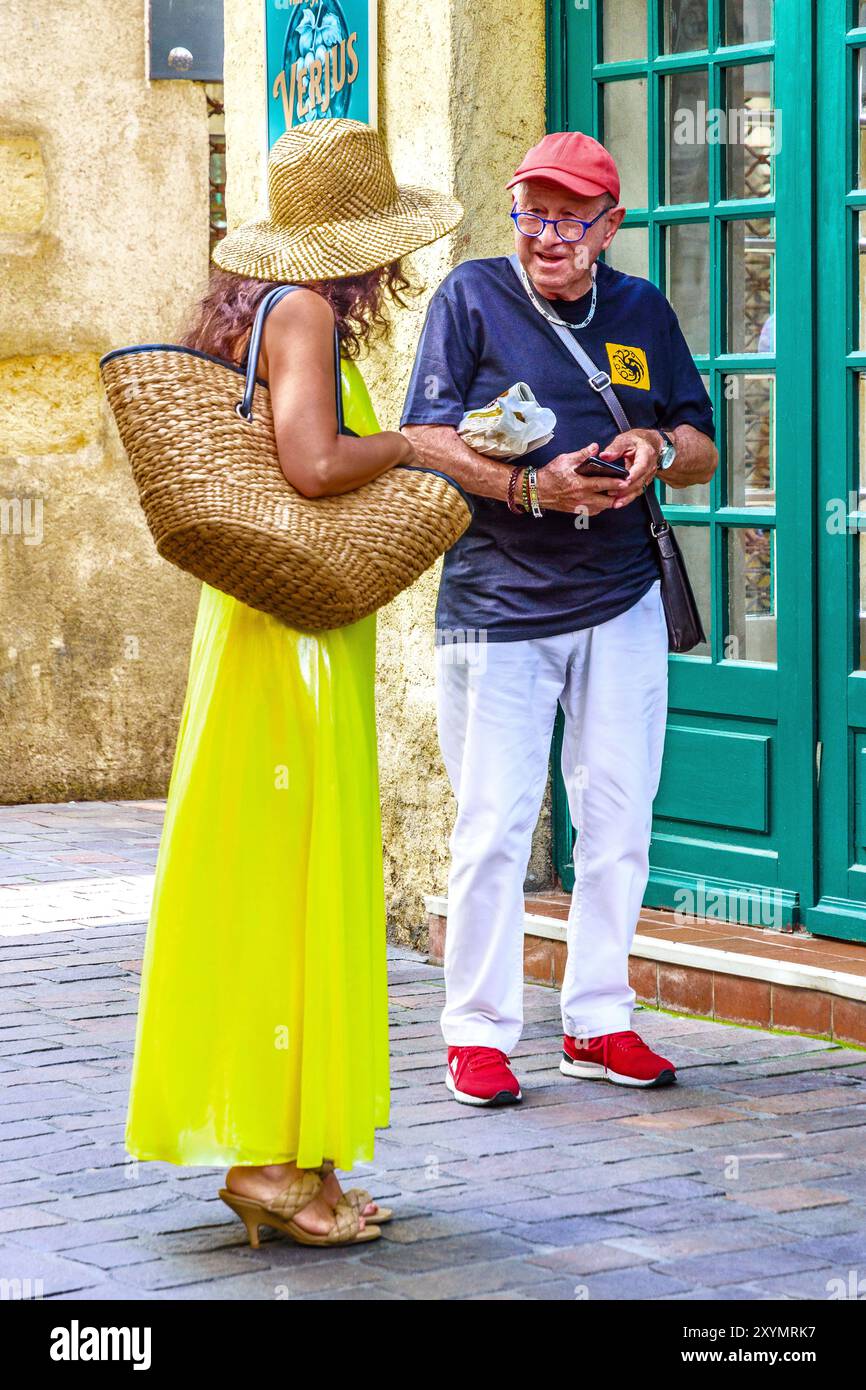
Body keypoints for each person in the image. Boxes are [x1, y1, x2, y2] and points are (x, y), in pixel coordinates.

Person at [124, 118, 463, 1245]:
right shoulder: (309, 311)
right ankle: (274, 1165)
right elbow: (312, 463)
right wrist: (421, 445)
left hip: (266, 632)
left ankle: (298, 1158)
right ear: (362, 245)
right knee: (293, 887)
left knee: (279, 883)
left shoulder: (258, 313)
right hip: (295, 650)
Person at [401, 130, 718, 1106]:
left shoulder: (640, 310)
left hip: (617, 597)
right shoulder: (470, 297)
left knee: (618, 817)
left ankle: (597, 1019)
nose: (546, 235)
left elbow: (701, 440)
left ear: (607, 225)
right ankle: (478, 1032)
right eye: (531, 212)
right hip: (497, 606)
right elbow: (421, 435)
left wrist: (651, 451)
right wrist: (527, 485)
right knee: (493, 823)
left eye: (568, 218)